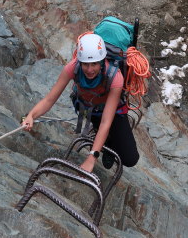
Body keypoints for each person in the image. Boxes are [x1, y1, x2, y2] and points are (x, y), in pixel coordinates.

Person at [22, 33, 139, 173]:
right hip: (88, 109)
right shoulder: (72, 68)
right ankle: (105, 140)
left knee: (130, 159)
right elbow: (49, 99)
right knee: (101, 131)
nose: (90, 70)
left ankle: (108, 143)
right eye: (85, 64)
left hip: (113, 113)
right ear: (80, 62)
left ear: (101, 62)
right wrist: (31, 115)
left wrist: (92, 157)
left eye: (94, 64)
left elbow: (106, 121)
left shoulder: (115, 77)